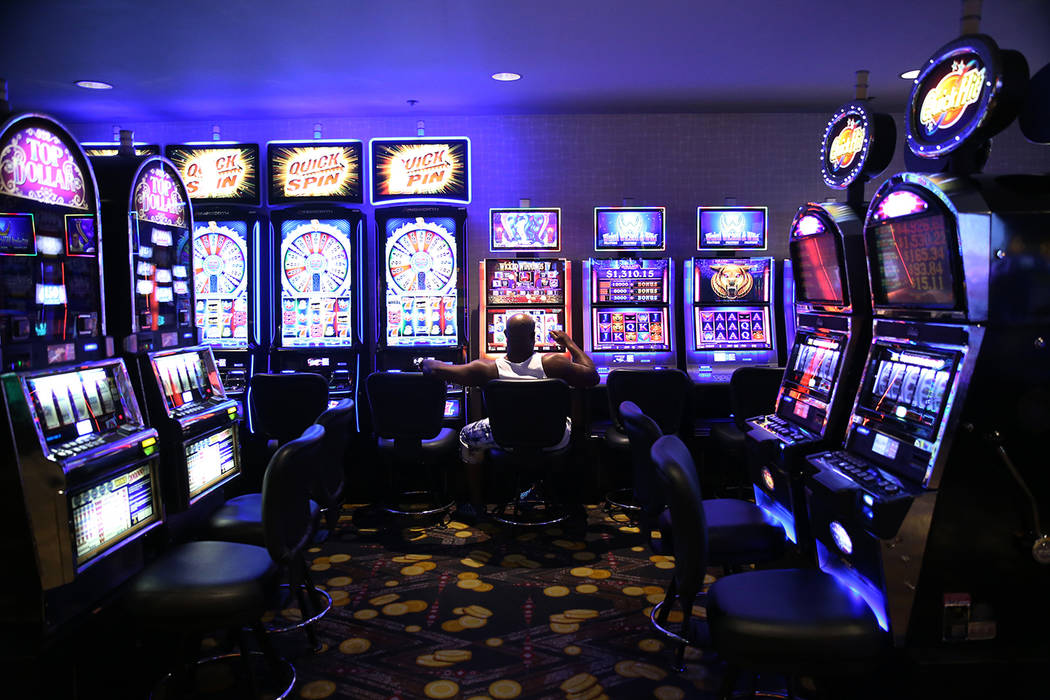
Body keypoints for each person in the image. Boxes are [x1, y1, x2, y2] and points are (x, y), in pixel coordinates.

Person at [420, 313, 599, 521]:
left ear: (504, 334)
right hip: (554, 439)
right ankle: (560, 497)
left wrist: (425, 361)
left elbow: (435, 369)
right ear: (534, 335)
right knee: (572, 426)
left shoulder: (485, 368)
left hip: (504, 440)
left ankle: (477, 505)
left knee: (466, 436)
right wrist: (569, 342)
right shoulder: (554, 363)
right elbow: (591, 375)